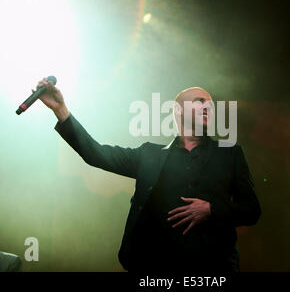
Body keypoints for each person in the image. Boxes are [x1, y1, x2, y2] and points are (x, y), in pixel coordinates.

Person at [35, 78, 261, 274]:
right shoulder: (149, 155)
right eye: (199, 102)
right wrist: (61, 110)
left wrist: (211, 209)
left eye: (211, 106)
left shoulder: (230, 154)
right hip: (156, 268)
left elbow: (251, 210)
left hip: (213, 267)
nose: (207, 108)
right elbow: (97, 154)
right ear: (178, 110)